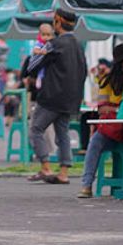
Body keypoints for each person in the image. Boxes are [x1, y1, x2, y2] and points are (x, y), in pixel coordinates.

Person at [77, 43, 123, 198]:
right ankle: (86, 185)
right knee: (94, 143)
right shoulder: (107, 80)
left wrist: (116, 107)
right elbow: (102, 108)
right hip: (111, 130)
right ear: (121, 61)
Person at [25, 9, 87, 185]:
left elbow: (33, 66)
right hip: (71, 99)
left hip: (51, 97)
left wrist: (38, 52)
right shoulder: (78, 45)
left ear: (58, 22)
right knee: (63, 134)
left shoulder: (54, 44)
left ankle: (45, 167)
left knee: (36, 129)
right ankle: (64, 172)